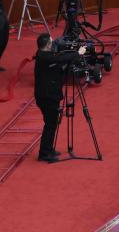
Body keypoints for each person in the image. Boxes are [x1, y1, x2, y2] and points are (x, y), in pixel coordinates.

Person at [33, 34, 87, 162]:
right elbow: (60, 58)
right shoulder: (45, 57)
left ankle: (48, 149)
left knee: (51, 123)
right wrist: (78, 54)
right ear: (47, 45)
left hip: (48, 94)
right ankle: (44, 153)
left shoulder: (44, 55)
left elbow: (60, 59)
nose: (53, 44)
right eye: (51, 43)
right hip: (47, 96)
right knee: (50, 124)